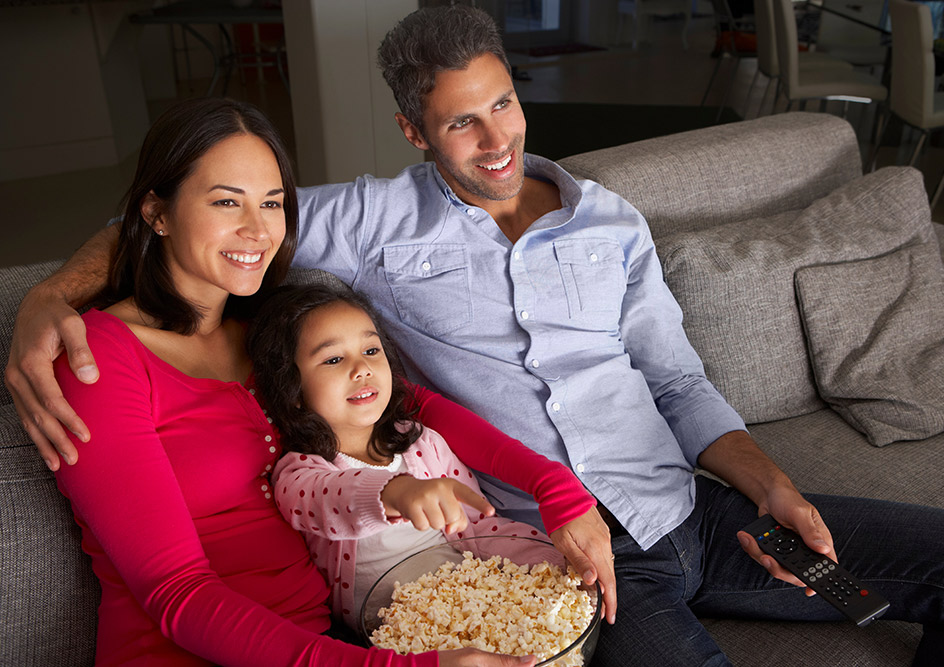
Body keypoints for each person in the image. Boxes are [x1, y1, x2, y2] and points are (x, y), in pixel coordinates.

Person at [7, 6, 944, 665]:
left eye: (503, 105)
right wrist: (54, 291)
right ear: (412, 134)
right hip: (565, 555)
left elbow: (675, 374)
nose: (495, 142)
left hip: (689, 505)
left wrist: (767, 481)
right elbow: (214, 222)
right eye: (457, 125)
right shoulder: (367, 222)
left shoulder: (608, 220)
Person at [39, 94, 614, 667]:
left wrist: (553, 486)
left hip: (332, 638)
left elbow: (409, 405)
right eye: (225, 202)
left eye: (271, 203)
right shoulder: (95, 361)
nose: (257, 230)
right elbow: (176, 596)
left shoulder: (269, 329)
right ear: (156, 213)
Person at [247, 283, 578, 632]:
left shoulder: (423, 443)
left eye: (371, 350)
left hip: (477, 605)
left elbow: (478, 527)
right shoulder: (300, 472)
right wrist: (394, 492)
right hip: (399, 635)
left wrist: (549, 561)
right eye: (333, 359)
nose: (362, 368)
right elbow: (328, 499)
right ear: (293, 390)